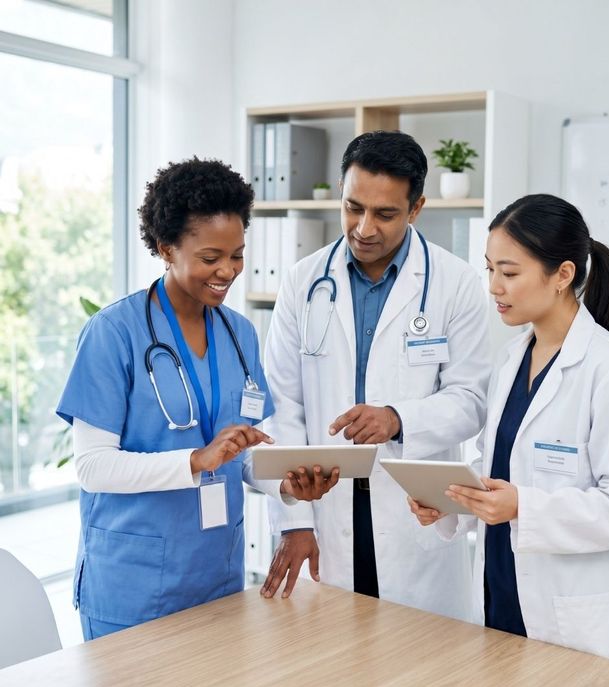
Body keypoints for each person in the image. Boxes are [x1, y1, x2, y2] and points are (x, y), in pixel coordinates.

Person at [56, 157, 337, 640]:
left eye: (237, 255)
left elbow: (244, 455)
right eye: (211, 258)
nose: (227, 271)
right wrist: (194, 460)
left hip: (215, 575)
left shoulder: (240, 333)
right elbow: (92, 467)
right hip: (134, 582)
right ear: (167, 248)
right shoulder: (113, 334)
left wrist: (289, 486)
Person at [410, 193, 609, 669]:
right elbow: (495, 467)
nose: (494, 287)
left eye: (509, 272)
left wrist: (525, 506)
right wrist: (448, 503)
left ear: (562, 275)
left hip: (575, 614)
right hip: (504, 590)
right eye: (489, 270)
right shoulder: (509, 363)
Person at [259, 131, 490, 620]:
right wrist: (294, 519)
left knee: (420, 677)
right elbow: (282, 405)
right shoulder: (303, 281)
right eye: (352, 207)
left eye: (384, 214)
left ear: (416, 208)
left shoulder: (456, 284)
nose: (363, 228)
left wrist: (397, 419)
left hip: (413, 518)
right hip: (327, 508)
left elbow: (471, 399)